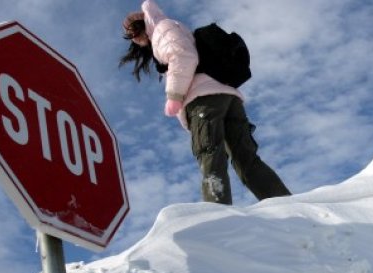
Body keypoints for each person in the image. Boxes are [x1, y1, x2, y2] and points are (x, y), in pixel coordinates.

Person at [120, 0, 291, 205]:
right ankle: (286, 205)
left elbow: (183, 55)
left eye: (134, 33)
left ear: (142, 25)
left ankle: (217, 214)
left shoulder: (162, 29)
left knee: (210, 154)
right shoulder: (173, 28)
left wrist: (174, 95)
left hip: (205, 100)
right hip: (228, 96)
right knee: (246, 159)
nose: (135, 40)